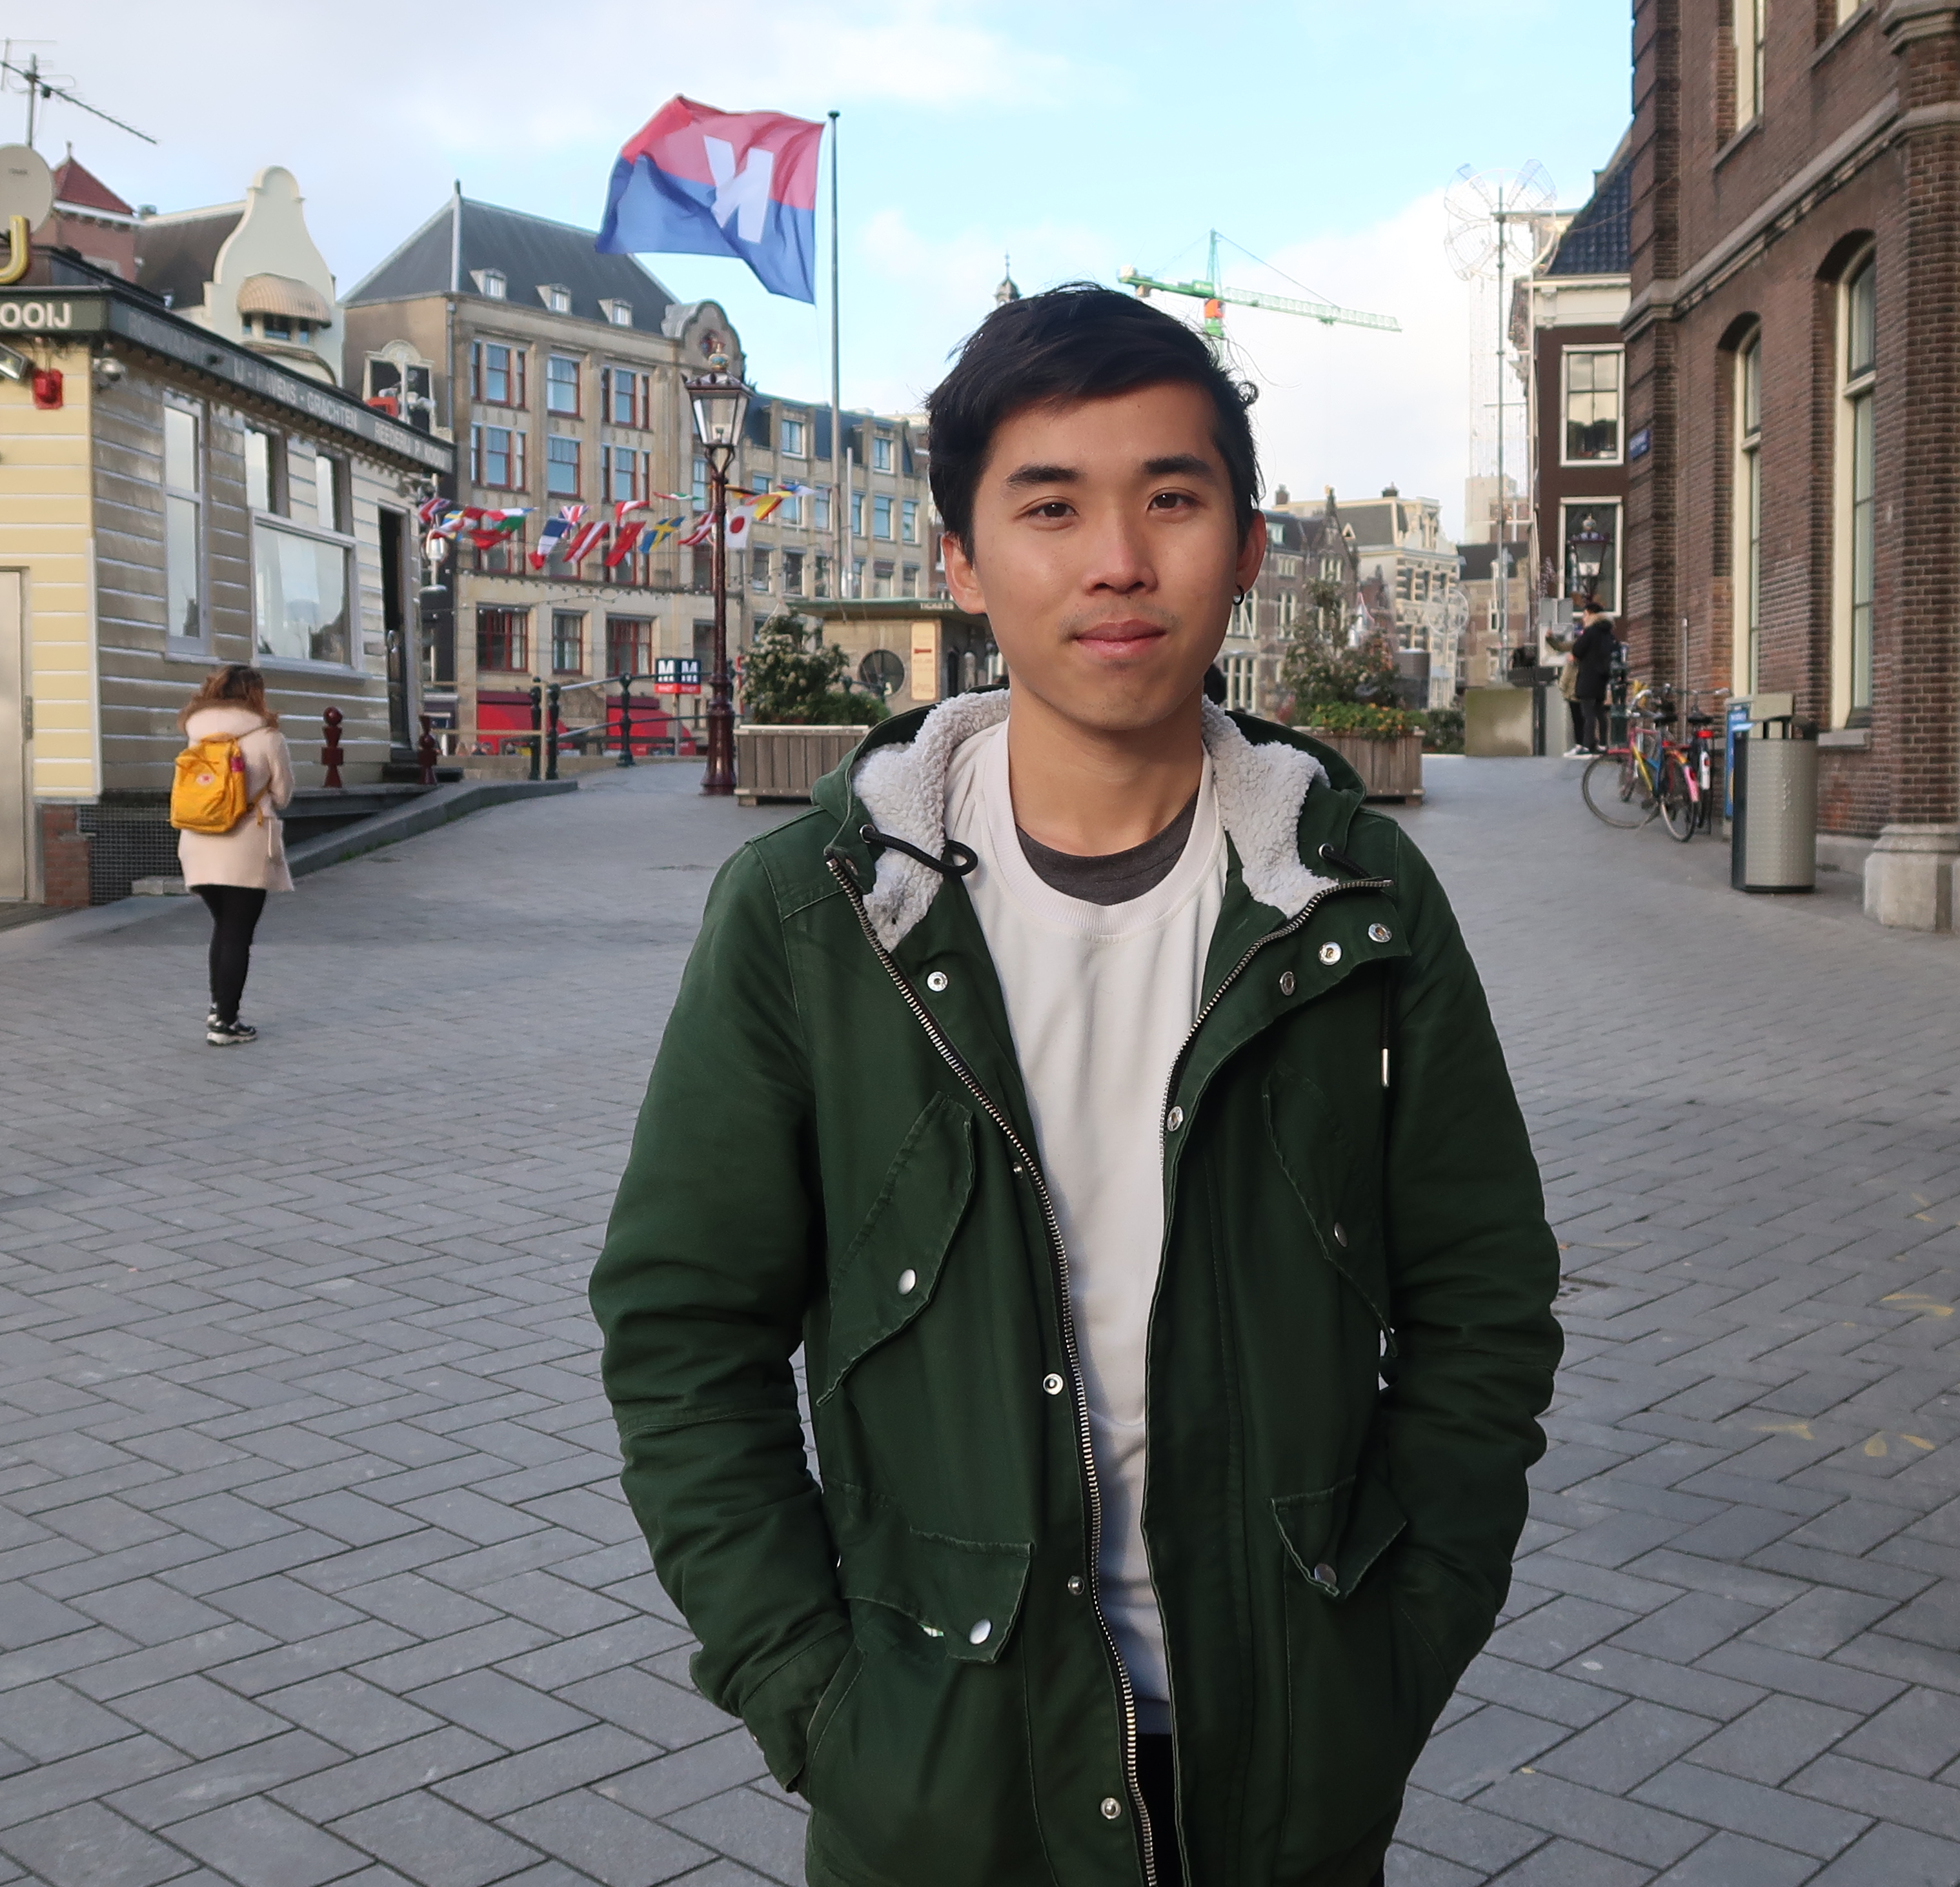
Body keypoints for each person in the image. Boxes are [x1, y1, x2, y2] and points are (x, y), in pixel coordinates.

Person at [594, 285, 1559, 1887]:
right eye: (1048, 505)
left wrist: (1394, 1644)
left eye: (1170, 499)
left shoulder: (1355, 899)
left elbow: (1482, 1298)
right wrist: (821, 1701)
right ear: (961, 561)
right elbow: (681, 1330)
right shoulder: (815, 914)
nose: (1117, 558)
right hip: (947, 1778)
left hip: (1284, 1760)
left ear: (1242, 543)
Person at [175, 665, 292, 1045]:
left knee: (223, 928)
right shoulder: (268, 737)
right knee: (237, 934)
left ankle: (218, 1008)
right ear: (255, 693)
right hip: (246, 845)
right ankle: (226, 1022)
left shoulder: (195, 734)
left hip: (197, 844)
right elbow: (284, 794)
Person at [1562, 601, 1617, 754]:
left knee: (1587, 712)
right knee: (1600, 711)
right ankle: (1604, 744)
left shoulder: (1591, 632)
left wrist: (1575, 655)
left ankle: (1587, 745)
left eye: (1585, 615)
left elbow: (1578, 650)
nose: (1583, 618)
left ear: (1592, 615)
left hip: (1588, 676)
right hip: (1602, 676)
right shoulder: (1608, 632)